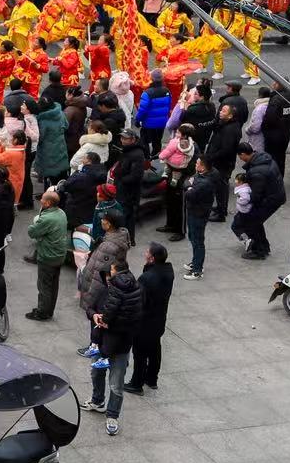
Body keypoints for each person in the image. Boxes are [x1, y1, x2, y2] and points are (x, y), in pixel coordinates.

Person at [85, 255, 141, 436]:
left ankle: (112, 416)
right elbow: (90, 307)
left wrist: (108, 323)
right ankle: (97, 400)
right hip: (102, 343)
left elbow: (133, 322)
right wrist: (94, 316)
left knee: (116, 384)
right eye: (108, 276)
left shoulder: (132, 295)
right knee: (96, 373)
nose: (108, 280)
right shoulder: (105, 291)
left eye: (111, 276)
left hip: (120, 347)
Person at [126, 241, 173, 394]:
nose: (145, 253)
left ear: (152, 258)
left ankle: (136, 383)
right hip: (158, 319)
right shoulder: (167, 272)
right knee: (154, 349)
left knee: (139, 353)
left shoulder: (147, 278)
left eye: (147, 252)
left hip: (145, 322)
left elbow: (139, 301)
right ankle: (151, 378)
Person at [23, 189, 70, 321]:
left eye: (43, 199)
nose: (41, 201)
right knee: (53, 284)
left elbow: (32, 232)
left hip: (47, 256)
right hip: (59, 255)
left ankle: (42, 312)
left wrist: (36, 222)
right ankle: (49, 310)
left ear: (48, 203)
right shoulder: (61, 213)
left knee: (44, 286)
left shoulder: (46, 218)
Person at [233, 141, 286, 259]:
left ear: (242, 154)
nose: (240, 159)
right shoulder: (264, 159)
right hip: (275, 196)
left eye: (239, 156)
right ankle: (264, 247)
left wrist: (243, 198)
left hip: (269, 200)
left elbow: (256, 195)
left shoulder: (257, 171)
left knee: (251, 222)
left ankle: (259, 251)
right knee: (256, 222)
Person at [182, 156, 218, 281]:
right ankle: (196, 261)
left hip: (198, 214)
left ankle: (197, 270)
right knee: (193, 237)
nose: (195, 165)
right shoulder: (204, 175)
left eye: (197, 163)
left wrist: (189, 186)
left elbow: (189, 193)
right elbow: (188, 181)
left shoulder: (204, 182)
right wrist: (190, 184)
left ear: (203, 166)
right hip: (196, 211)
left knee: (197, 241)